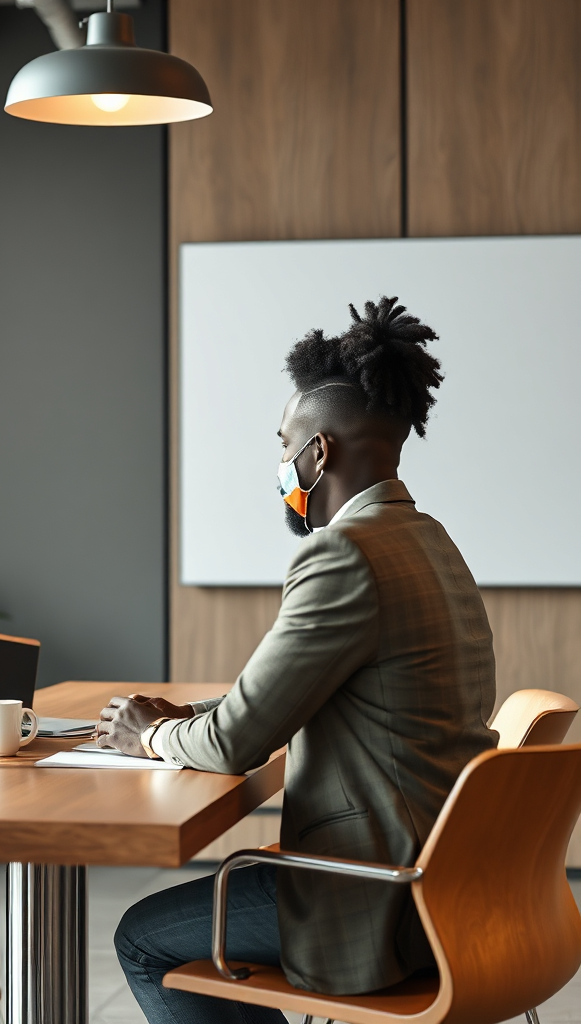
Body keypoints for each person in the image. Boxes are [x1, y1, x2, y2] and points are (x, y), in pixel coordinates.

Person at [97, 297, 497, 1024]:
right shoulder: (430, 540)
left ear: (320, 453)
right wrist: (189, 715)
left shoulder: (343, 552)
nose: (281, 461)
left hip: (374, 897)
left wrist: (148, 736)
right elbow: (293, 697)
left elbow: (232, 746)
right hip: (449, 879)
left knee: (143, 938)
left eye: (285, 444)